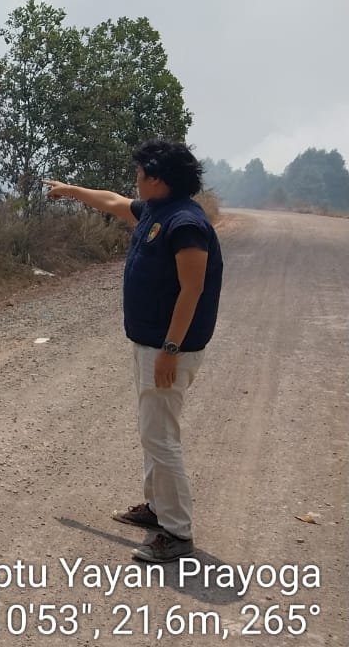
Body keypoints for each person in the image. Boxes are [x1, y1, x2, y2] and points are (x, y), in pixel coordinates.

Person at [43, 139, 223, 563]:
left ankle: (177, 534)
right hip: (151, 344)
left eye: (140, 174)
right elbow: (113, 202)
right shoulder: (158, 210)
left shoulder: (186, 225)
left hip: (168, 350)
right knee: (153, 432)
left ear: (157, 180)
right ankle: (157, 509)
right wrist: (71, 190)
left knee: (160, 437)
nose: (135, 180)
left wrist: (170, 348)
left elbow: (192, 288)